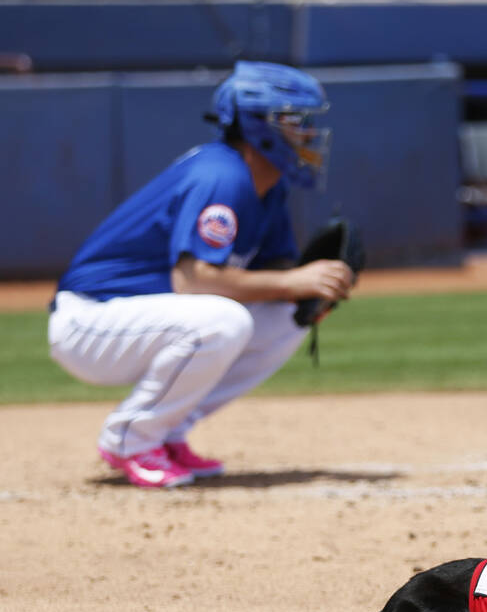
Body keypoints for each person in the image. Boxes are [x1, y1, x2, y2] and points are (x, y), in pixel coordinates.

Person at [48, 61, 356, 489]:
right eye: (294, 119)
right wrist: (293, 282)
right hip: (90, 321)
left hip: (144, 322)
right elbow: (192, 281)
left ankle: (166, 430)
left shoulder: (269, 184)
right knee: (224, 320)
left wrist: (309, 286)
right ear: (258, 125)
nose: (307, 131)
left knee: (290, 317)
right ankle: (130, 439)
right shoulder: (221, 175)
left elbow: (275, 272)